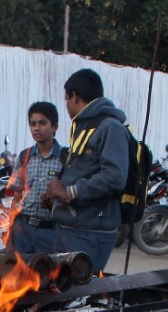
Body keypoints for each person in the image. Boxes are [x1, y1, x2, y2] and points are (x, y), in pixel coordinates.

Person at [43, 69, 128, 272]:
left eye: (66, 99)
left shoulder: (110, 127)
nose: (66, 106)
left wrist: (70, 192)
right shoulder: (85, 126)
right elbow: (84, 169)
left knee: (78, 293)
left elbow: (115, 177)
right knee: (59, 291)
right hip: (70, 227)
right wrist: (56, 199)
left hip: (91, 232)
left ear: (75, 96)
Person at [5, 102, 64, 254]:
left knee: (48, 275)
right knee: (20, 276)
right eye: (33, 124)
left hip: (50, 232)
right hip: (23, 230)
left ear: (54, 126)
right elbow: (16, 200)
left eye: (42, 123)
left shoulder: (65, 159)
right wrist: (9, 237)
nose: (37, 128)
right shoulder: (25, 157)